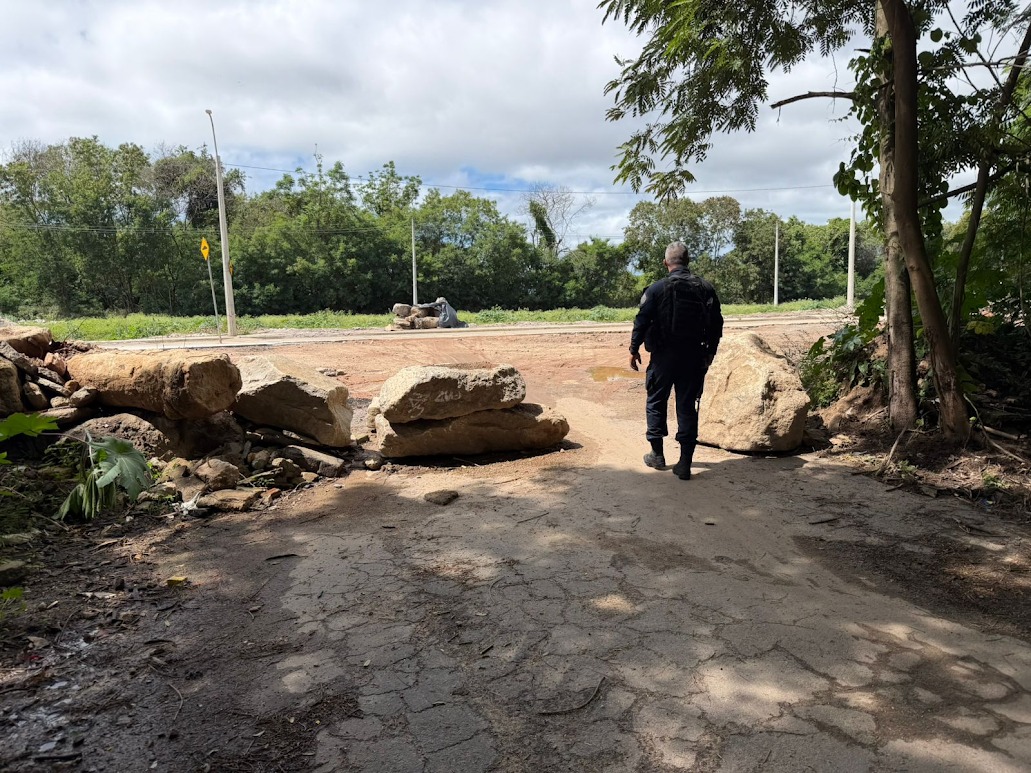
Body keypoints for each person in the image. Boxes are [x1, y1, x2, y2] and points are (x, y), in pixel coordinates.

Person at [629, 241, 723, 480]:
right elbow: (716, 324)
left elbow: (641, 320)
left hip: (663, 357)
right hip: (693, 357)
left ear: (665, 263)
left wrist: (634, 349)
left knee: (656, 401)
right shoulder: (706, 288)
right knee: (686, 406)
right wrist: (710, 352)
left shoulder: (656, 289)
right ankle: (684, 463)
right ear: (687, 262)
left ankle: (657, 455)